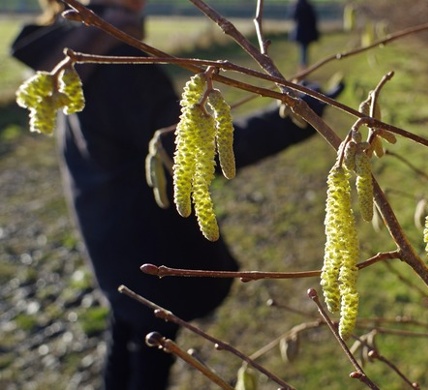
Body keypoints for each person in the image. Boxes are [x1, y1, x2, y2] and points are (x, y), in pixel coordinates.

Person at [11, 1, 343, 389]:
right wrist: (295, 116)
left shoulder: (76, 47)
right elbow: (193, 153)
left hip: (106, 227)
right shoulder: (116, 56)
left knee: (127, 331)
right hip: (145, 235)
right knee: (152, 348)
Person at [289, 0, 320, 69]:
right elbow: (314, 20)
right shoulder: (309, 6)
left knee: (303, 50)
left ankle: (303, 66)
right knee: (304, 50)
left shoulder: (296, 6)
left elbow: (293, 17)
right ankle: (304, 66)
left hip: (300, 32)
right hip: (307, 33)